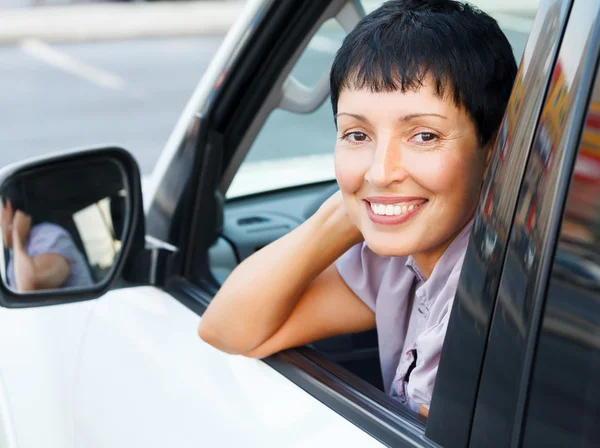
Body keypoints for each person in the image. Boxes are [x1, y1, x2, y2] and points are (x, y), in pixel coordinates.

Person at [198, 0, 517, 417]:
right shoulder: (398, 264)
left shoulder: (481, 302)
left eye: (423, 136)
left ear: (493, 151)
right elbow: (226, 327)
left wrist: (365, 200)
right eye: (356, 134)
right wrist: (347, 210)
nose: (381, 171)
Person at [0, 184, 94, 292]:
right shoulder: (18, 255)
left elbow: (27, 289)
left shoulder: (50, 237)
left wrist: (17, 238)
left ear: (8, 206)